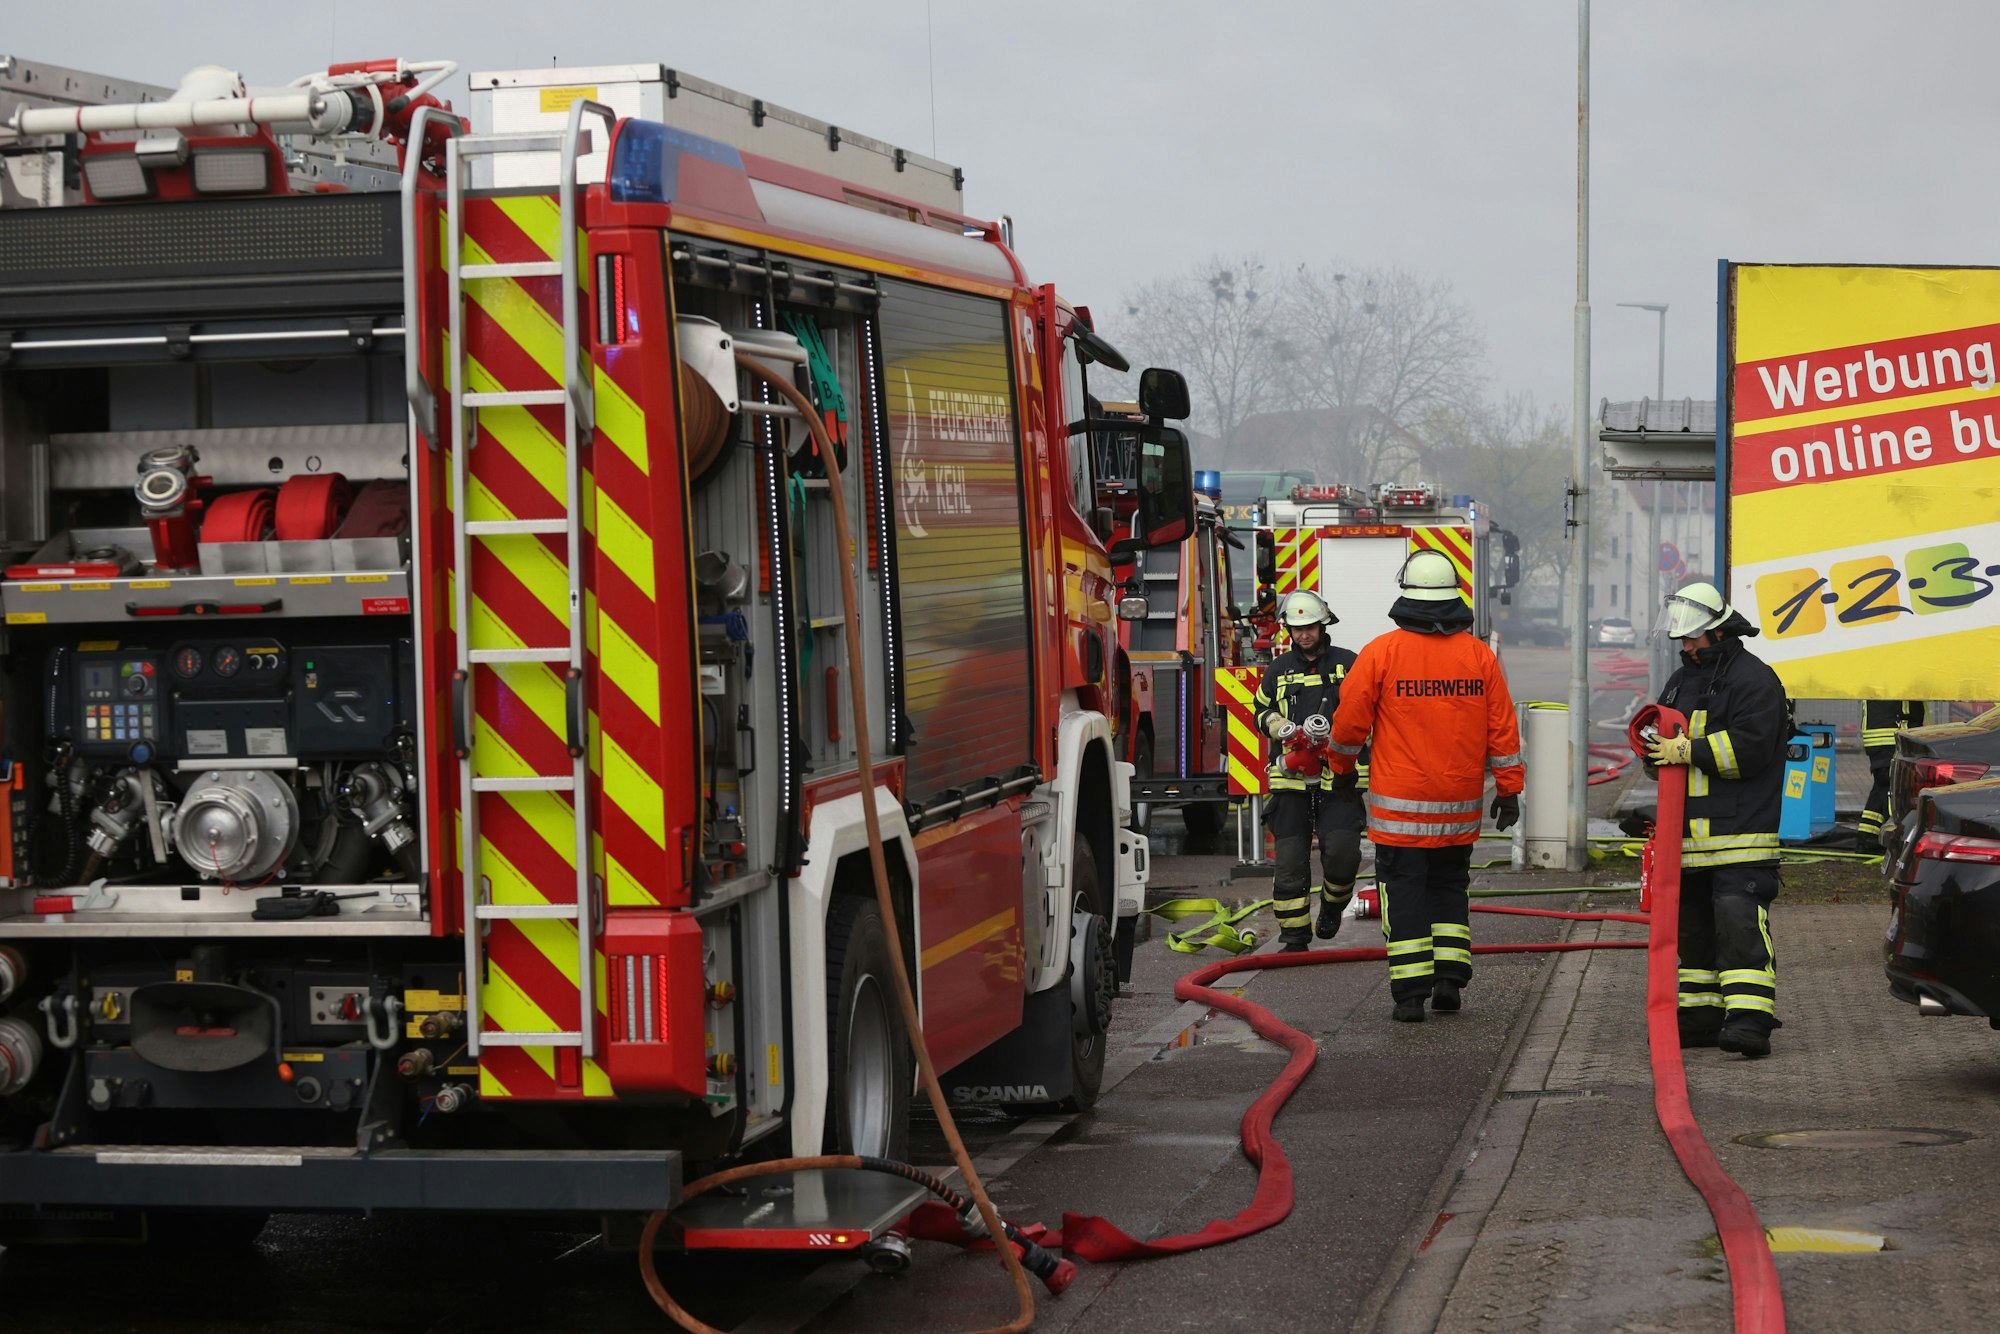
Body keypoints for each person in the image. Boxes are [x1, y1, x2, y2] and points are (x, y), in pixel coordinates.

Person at [1324, 550, 1522, 1022]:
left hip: (1400, 815)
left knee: (1405, 892)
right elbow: (1503, 729)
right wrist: (1510, 789)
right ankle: (1449, 979)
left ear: (1407, 596)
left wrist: (1343, 772)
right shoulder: (1479, 656)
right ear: (1454, 598)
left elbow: (1348, 725)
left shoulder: (1381, 653)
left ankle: (1411, 995)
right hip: (1459, 809)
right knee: (1450, 888)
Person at [1644, 580, 1789, 1059]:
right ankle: (1700, 1018)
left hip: (1740, 837)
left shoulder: (1755, 681)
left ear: (1718, 632)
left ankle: (1750, 1022)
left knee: (1739, 927)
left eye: (1692, 638)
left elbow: (1750, 748)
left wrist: (1689, 750)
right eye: (1682, 639)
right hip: (1687, 841)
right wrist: (1654, 749)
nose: (1684, 646)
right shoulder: (1682, 679)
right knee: (1695, 935)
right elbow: (1663, 739)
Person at [1253, 589, 1364, 952]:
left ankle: (1332, 906)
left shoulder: (1349, 664)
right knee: (1289, 861)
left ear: (1323, 624)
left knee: (1344, 852)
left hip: (1341, 776)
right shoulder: (1278, 670)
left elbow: (1371, 711)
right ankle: (1295, 935)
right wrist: (1280, 726)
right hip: (1291, 777)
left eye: (1311, 627)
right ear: (1288, 629)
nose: (1304, 635)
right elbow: (1260, 711)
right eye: (1297, 628)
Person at [1858, 700, 1927, 849]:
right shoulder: (1898, 677)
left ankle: (1867, 838)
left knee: (1882, 787)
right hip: (1892, 735)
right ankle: (1895, 839)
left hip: (1880, 735)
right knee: (1895, 790)